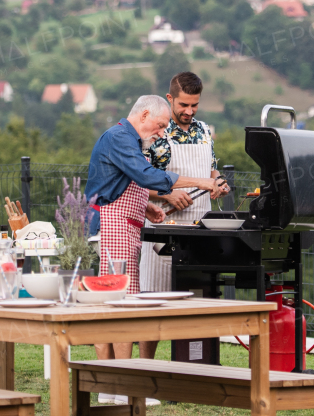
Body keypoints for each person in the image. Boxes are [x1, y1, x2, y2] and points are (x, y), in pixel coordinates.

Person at [84, 95, 224, 406]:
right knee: (124, 305)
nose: (162, 132)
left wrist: (145, 207)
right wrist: (201, 181)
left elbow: (119, 180)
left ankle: (108, 386)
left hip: (126, 222)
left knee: (110, 306)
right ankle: (125, 387)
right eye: (160, 126)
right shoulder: (121, 138)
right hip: (114, 225)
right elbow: (147, 176)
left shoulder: (129, 139)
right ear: (145, 114)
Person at [138, 71, 228, 360]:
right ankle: (145, 367)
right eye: (183, 106)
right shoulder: (156, 133)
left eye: (194, 106)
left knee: (195, 300)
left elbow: (211, 168)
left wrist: (219, 181)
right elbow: (138, 180)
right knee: (155, 303)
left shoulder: (203, 131)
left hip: (200, 226)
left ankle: (195, 364)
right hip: (163, 227)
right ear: (170, 99)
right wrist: (165, 194)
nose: (189, 112)